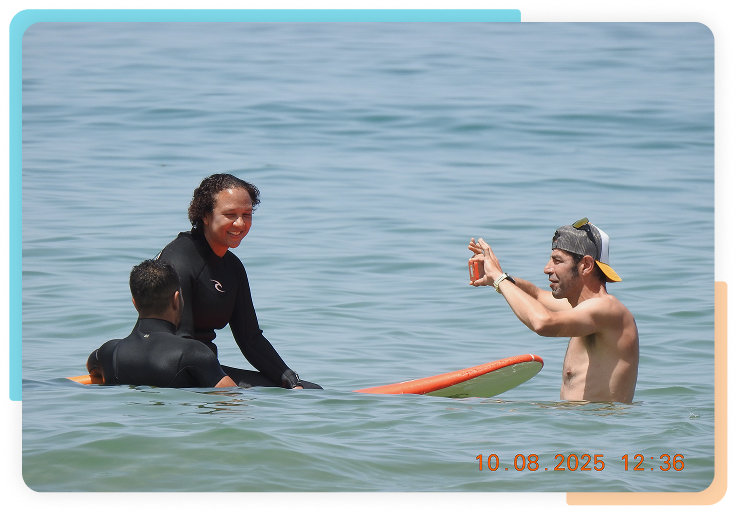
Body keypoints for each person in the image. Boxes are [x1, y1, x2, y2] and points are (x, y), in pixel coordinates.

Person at [156, 173, 320, 390]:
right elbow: (181, 341)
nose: (240, 223)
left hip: (205, 369)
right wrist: (226, 389)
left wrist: (291, 380)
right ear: (205, 215)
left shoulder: (232, 267)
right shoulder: (179, 260)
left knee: (308, 391)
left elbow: (250, 339)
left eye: (247, 214)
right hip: (172, 371)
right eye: (230, 214)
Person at [468, 218, 639, 403]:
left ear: (586, 265)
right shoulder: (581, 309)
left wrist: (499, 278)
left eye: (557, 261)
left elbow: (542, 323)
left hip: (599, 422)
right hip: (580, 419)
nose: (546, 268)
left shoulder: (608, 309)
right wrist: (496, 276)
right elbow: (536, 295)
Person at [87, 259, 237, 388]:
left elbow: (91, 365)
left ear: (134, 303)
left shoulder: (109, 352)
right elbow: (232, 399)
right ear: (176, 299)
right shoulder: (194, 352)